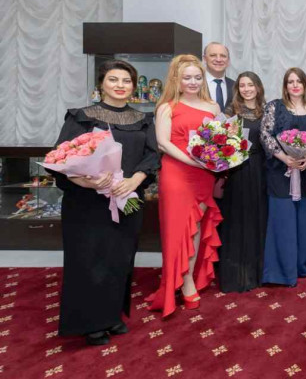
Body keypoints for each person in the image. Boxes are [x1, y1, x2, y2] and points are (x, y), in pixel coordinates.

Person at [51, 60, 159, 345]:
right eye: (113, 79)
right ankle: (90, 323)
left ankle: (111, 316)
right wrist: (86, 181)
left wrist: (135, 180)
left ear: (133, 87)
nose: (120, 85)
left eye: (126, 81)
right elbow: (60, 157)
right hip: (87, 202)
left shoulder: (142, 119)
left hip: (127, 199)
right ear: (101, 84)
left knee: (120, 259)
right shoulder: (82, 117)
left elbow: (152, 156)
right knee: (88, 260)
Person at [146, 55, 223, 316]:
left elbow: (219, 140)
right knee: (176, 230)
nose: (192, 82)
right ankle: (180, 281)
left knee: (195, 227)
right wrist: (194, 161)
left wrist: (217, 160)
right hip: (176, 174)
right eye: (187, 77)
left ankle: (187, 276)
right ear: (176, 80)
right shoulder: (167, 107)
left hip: (203, 176)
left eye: (197, 77)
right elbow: (163, 143)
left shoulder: (212, 107)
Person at [260, 68, 306, 287]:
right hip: (279, 172)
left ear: (305, 85)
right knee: (283, 222)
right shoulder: (274, 107)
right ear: (285, 86)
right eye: (290, 82)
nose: (295, 85)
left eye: (299, 81)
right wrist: (284, 157)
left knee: (305, 223)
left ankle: (303, 266)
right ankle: (282, 271)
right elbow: (265, 135)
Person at [217, 72, 268, 293]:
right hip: (237, 170)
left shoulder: (266, 111)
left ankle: (256, 274)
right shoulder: (230, 112)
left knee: (258, 219)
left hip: (261, 170)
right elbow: (220, 142)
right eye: (242, 85)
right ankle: (235, 276)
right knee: (236, 220)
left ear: (258, 87)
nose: (247, 89)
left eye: (250, 85)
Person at [203, 42, 235, 111]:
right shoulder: (195, 84)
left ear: (228, 60)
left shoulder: (235, 86)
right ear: (205, 59)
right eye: (213, 55)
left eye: (223, 56)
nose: (218, 59)